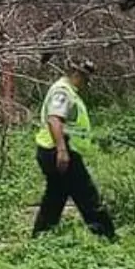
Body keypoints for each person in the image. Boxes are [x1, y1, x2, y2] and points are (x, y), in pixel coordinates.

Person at [32, 58, 116, 240]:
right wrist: (62, 151)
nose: (86, 84)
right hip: (59, 151)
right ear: (76, 74)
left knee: (55, 196)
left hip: (52, 151)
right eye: (85, 79)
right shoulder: (63, 92)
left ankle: (41, 235)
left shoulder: (68, 91)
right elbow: (54, 119)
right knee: (87, 195)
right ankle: (107, 236)